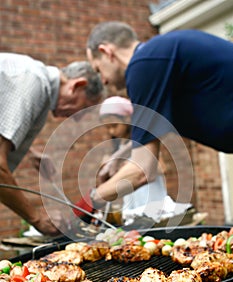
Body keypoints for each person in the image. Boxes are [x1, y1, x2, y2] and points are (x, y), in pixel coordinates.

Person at [74, 21, 233, 221]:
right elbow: (152, 134)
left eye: (98, 70)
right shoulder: (156, 62)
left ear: (107, 52)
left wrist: (88, 203)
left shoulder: (143, 66)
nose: (103, 81)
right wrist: (119, 158)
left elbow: (142, 170)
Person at [0, 53, 103, 237]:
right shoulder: (33, 83)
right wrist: (37, 219)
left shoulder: (32, 77)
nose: (76, 118)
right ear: (77, 85)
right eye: (83, 109)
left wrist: (30, 152)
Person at [96, 96, 167, 221]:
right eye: (107, 127)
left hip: (152, 203)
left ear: (127, 119)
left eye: (114, 125)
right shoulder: (118, 149)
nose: (112, 131)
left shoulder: (144, 143)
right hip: (133, 206)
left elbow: (162, 168)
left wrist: (131, 166)